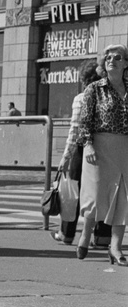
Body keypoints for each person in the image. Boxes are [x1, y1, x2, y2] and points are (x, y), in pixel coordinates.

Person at [71, 43, 128, 264]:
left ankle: (115, 247)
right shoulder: (94, 89)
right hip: (98, 147)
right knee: (96, 196)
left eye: (117, 57)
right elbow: (85, 121)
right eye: (108, 58)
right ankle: (85, 234)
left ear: (125, 63)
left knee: (122, 198)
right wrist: (89, 145)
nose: (111, 60)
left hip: (124, 148)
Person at [55, 61, 111, 248]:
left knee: (74, 191)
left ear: (83, 79)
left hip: (82, 150)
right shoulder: (110, 98)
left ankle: (66, 233)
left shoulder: (81, 98)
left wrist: (65, 157)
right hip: (105, 150)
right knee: (103, 193)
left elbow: (75, 131)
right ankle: (103, 236)